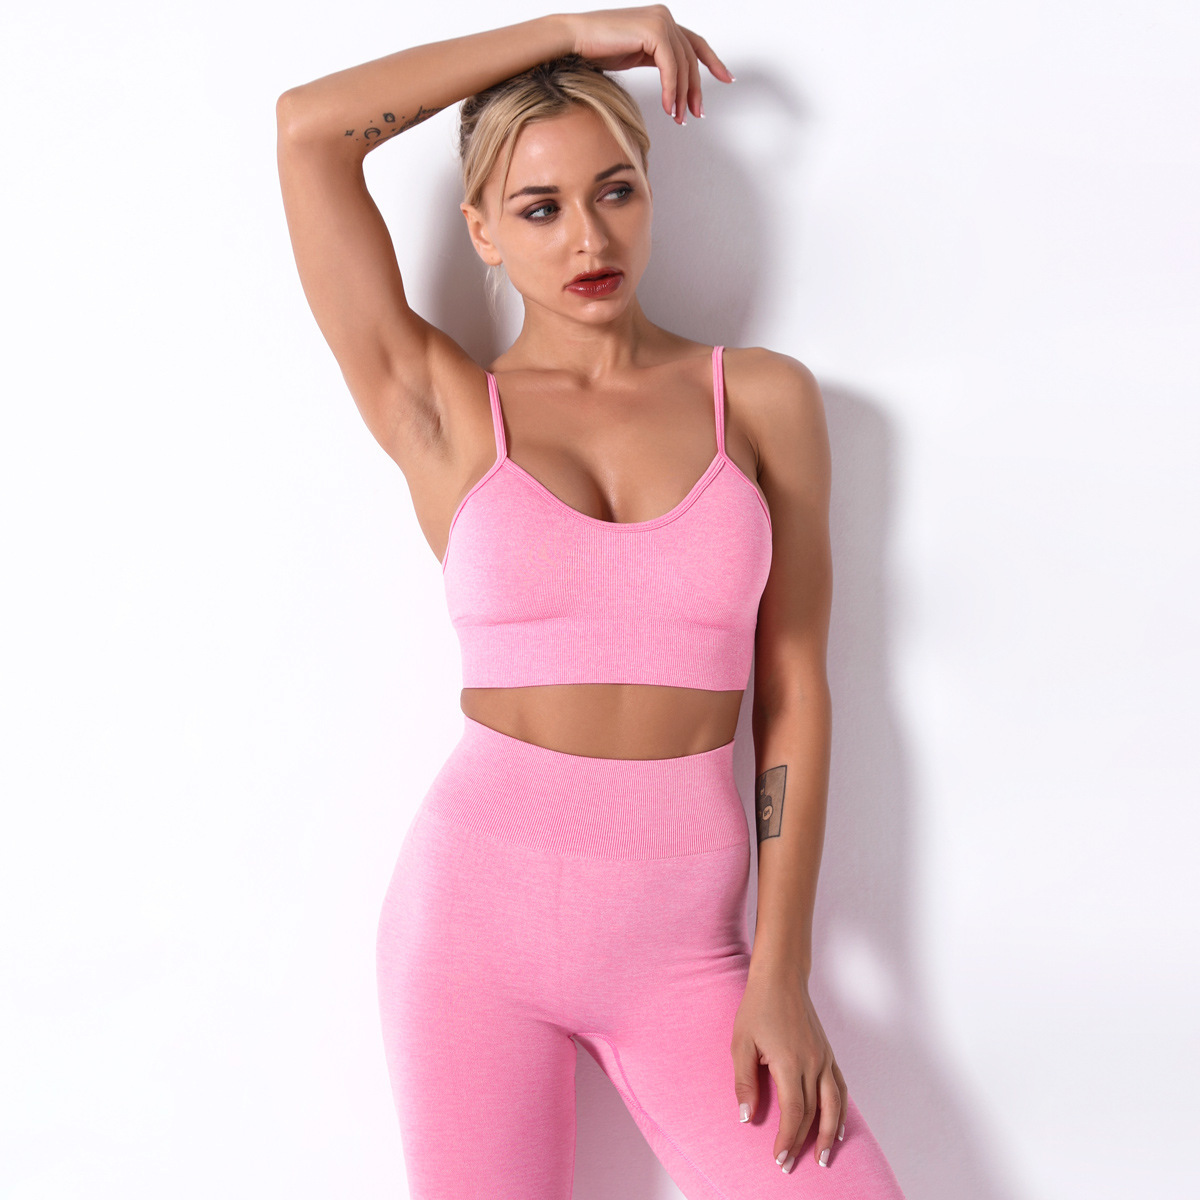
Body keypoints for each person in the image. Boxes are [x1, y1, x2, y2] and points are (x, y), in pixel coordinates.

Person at [275, 7, 906, 1197]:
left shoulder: (760, 400)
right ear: (482, 230)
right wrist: (568, 30)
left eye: (616, 190)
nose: (588, 236)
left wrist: (781, 971)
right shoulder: (445, 410)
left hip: (688, 948)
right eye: (540, 207)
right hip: (472, 925)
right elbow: (310, 130)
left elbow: (793, 688)